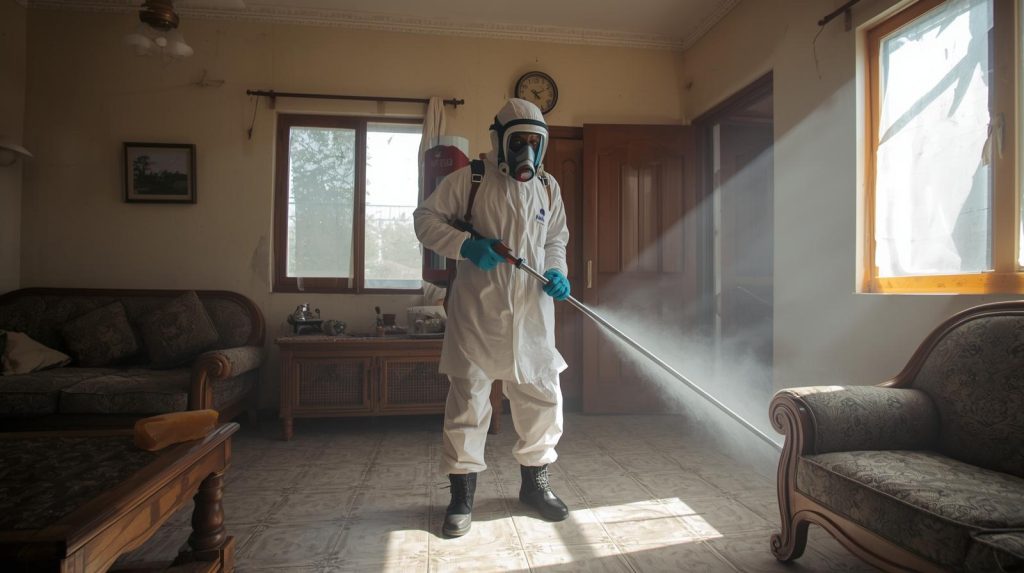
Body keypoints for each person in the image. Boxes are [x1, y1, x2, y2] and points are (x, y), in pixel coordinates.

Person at [413, 98, 572, 538]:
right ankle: (462, 497)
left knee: (541, 398)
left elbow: (555, 237)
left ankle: (535, 487)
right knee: (468, 404)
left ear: (543, 146)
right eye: (517, 142)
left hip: (533, 316)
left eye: (534, 143)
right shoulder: (470, 178)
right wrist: (464, 245)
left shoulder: (548, 187)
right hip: (478, 314)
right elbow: (424, 220)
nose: (526, 153)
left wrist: (557, 269)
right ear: (499, 140)